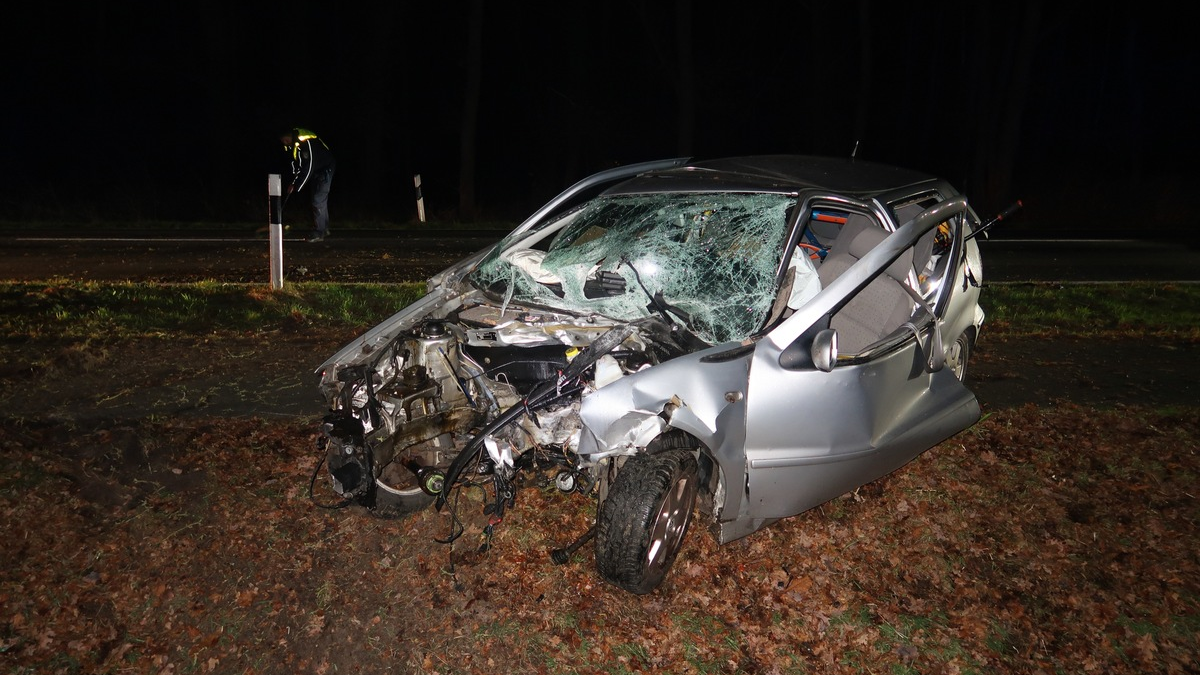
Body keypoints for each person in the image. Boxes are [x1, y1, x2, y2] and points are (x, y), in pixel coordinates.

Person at [281, 128, 336, 242]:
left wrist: (297, 186)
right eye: (283, 142)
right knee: (317, 200)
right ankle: (324, 229)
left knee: (318, 200)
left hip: (325, 169)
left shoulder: (307, 142)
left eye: (286, 140)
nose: (285, 144)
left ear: (290, 136)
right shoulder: (292, 146)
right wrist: (293, 183)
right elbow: (297, 167)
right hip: (316, 172)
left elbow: (309, 167)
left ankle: (319, 233)